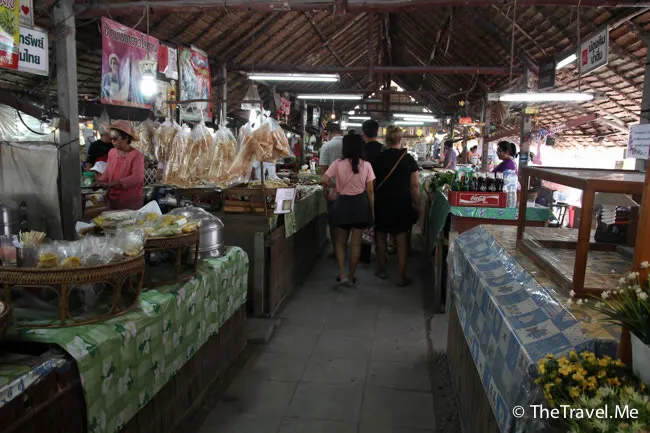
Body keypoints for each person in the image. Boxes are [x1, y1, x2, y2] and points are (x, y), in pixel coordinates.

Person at [321, 132, 375, 286]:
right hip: (360, 206)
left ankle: (342, 273)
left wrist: (335, 186)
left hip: (342, 205)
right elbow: (370, 191)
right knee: (356, 244)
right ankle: (352, 275)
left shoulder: (338, 163)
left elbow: (323, 178)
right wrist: (373, 211)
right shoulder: (366, 165)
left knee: (340, 242)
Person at [372, 125, 420, 287]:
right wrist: (418, 204)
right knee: (401, 238)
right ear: (401, 139)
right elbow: (414, 186)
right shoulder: (408, 159)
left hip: (381, 201)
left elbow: (372, 183)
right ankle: (401, 276)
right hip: (402, 203)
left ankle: (382, 270)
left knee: (380, 236)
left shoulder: (378, 158)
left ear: (386, 140)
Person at [96, 120, 145, 210]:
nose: (112, 142)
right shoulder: (112, 152)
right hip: (112, 199)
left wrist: (116, 183)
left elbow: (137, 178)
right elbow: (107, 172)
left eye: (115, 139)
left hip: (130, 201)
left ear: (125, 138)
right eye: (111, 139)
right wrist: (99, 181)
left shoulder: (137, 155)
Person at [360, 119, 383, 264]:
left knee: (365, 224)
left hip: (363, 190)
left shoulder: (361, 150)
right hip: (381, 190)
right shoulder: (383, 149)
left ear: (363, 133)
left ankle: (364, 255)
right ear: (378, 131)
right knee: (380, 226)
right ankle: (381, 256)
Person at [319, 123, 344, 256]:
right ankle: (344, 247)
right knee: (346, 221)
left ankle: (336, 250)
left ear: (329, 133)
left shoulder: (327, 146)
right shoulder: (349, 145)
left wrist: (325, 189)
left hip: (332, 190)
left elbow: (324, 170)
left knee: (334, 221)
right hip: (350, 190)